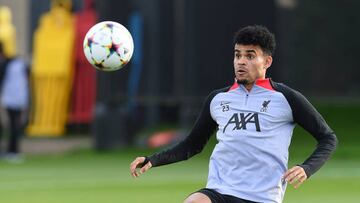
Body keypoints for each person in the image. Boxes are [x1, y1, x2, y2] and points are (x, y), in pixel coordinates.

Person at [129, 25, 338, 203]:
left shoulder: (286, 98)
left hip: (262, 196)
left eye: (250, 56)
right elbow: (192, 145)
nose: (241, 61)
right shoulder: (218, 99)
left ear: (267, 62)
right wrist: (153, 160)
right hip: (219, 190)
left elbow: (328, 138)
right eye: (238, 55)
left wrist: (307, 168)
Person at [0, 42, 29, 161]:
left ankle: (13, 151)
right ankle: (12, 150)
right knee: (13, 125)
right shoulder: (17, 63)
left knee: (13, 125)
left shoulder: (8, 64)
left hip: (13, 98)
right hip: (16, 98)